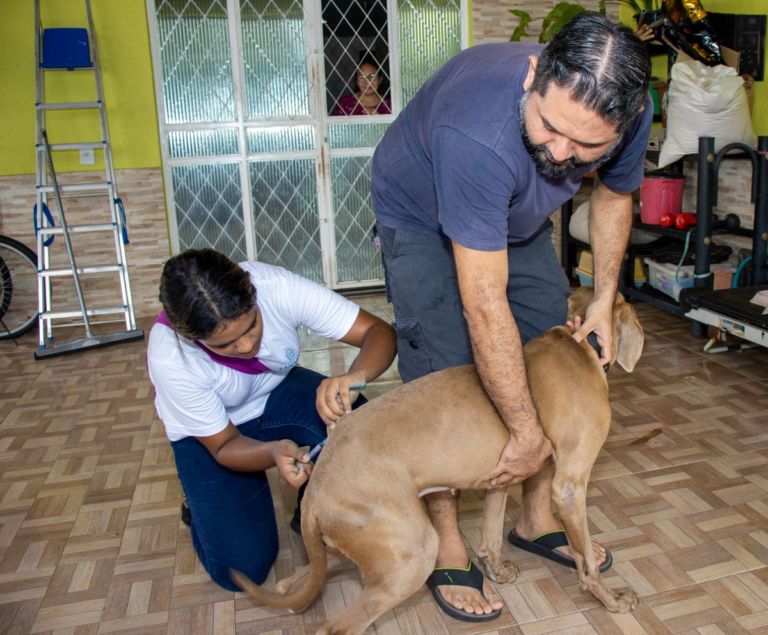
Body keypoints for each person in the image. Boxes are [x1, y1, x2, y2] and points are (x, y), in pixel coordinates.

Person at [371, 12, 651, 623]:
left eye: (586, 147)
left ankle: (535, 517)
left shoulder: (627, 107)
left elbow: (613, 195)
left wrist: (603, 298)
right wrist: (525, 436)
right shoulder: (477, 132)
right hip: (419, 215)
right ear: (531, 76)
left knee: (545, 350)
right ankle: (448, 544)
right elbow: (484, 303)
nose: (560, 153)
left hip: (514, 216)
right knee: (444, 371)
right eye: (549, 126)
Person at [146, 248, 396, 591]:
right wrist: (274, 452)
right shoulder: (171, 356)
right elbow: (225, 446)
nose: (246, 345)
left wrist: (356, 377)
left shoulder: (276, 287)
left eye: (251, 326)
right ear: (192, 338)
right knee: (244, 570)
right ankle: (196, 500)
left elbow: (378, 332)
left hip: (277, 393)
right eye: (225, 345)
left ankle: (310, 509)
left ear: (252, 293)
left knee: (361, 433)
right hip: (214, 436)